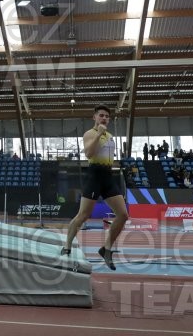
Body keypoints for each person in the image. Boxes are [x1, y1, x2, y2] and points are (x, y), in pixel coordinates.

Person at [61, 105, 128, 271]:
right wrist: (98, 134)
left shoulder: (111, 136)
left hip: (108, 176)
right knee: (83, 215)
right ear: (95, 118)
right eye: (101, 115)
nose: (104, 118)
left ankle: (106, 248)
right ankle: (67, 246)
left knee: (123, 215)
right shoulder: (90, 134)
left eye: (107, 116)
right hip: (94, 176)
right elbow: (89, 154)